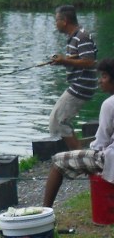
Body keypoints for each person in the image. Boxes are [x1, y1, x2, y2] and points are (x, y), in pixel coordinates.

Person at [44, 59, 114, 207]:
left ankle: (45, 213)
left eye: (104, 76)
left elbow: (101, 142)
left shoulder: (109, 104)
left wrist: (88, 157)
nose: (100, 81)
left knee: (57, 162)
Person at [49, 4, 98, 150]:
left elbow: (89, 61)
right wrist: (62, 61)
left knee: (58, 122)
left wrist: (64, 60)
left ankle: (78, 159)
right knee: (60, 121)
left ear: (64, 21)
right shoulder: (74, 37)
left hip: (82, 86)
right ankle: (77, 155)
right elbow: (79, 60)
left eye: (56, 19)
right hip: (78, 85)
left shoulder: (82, 36)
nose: (55, 23)